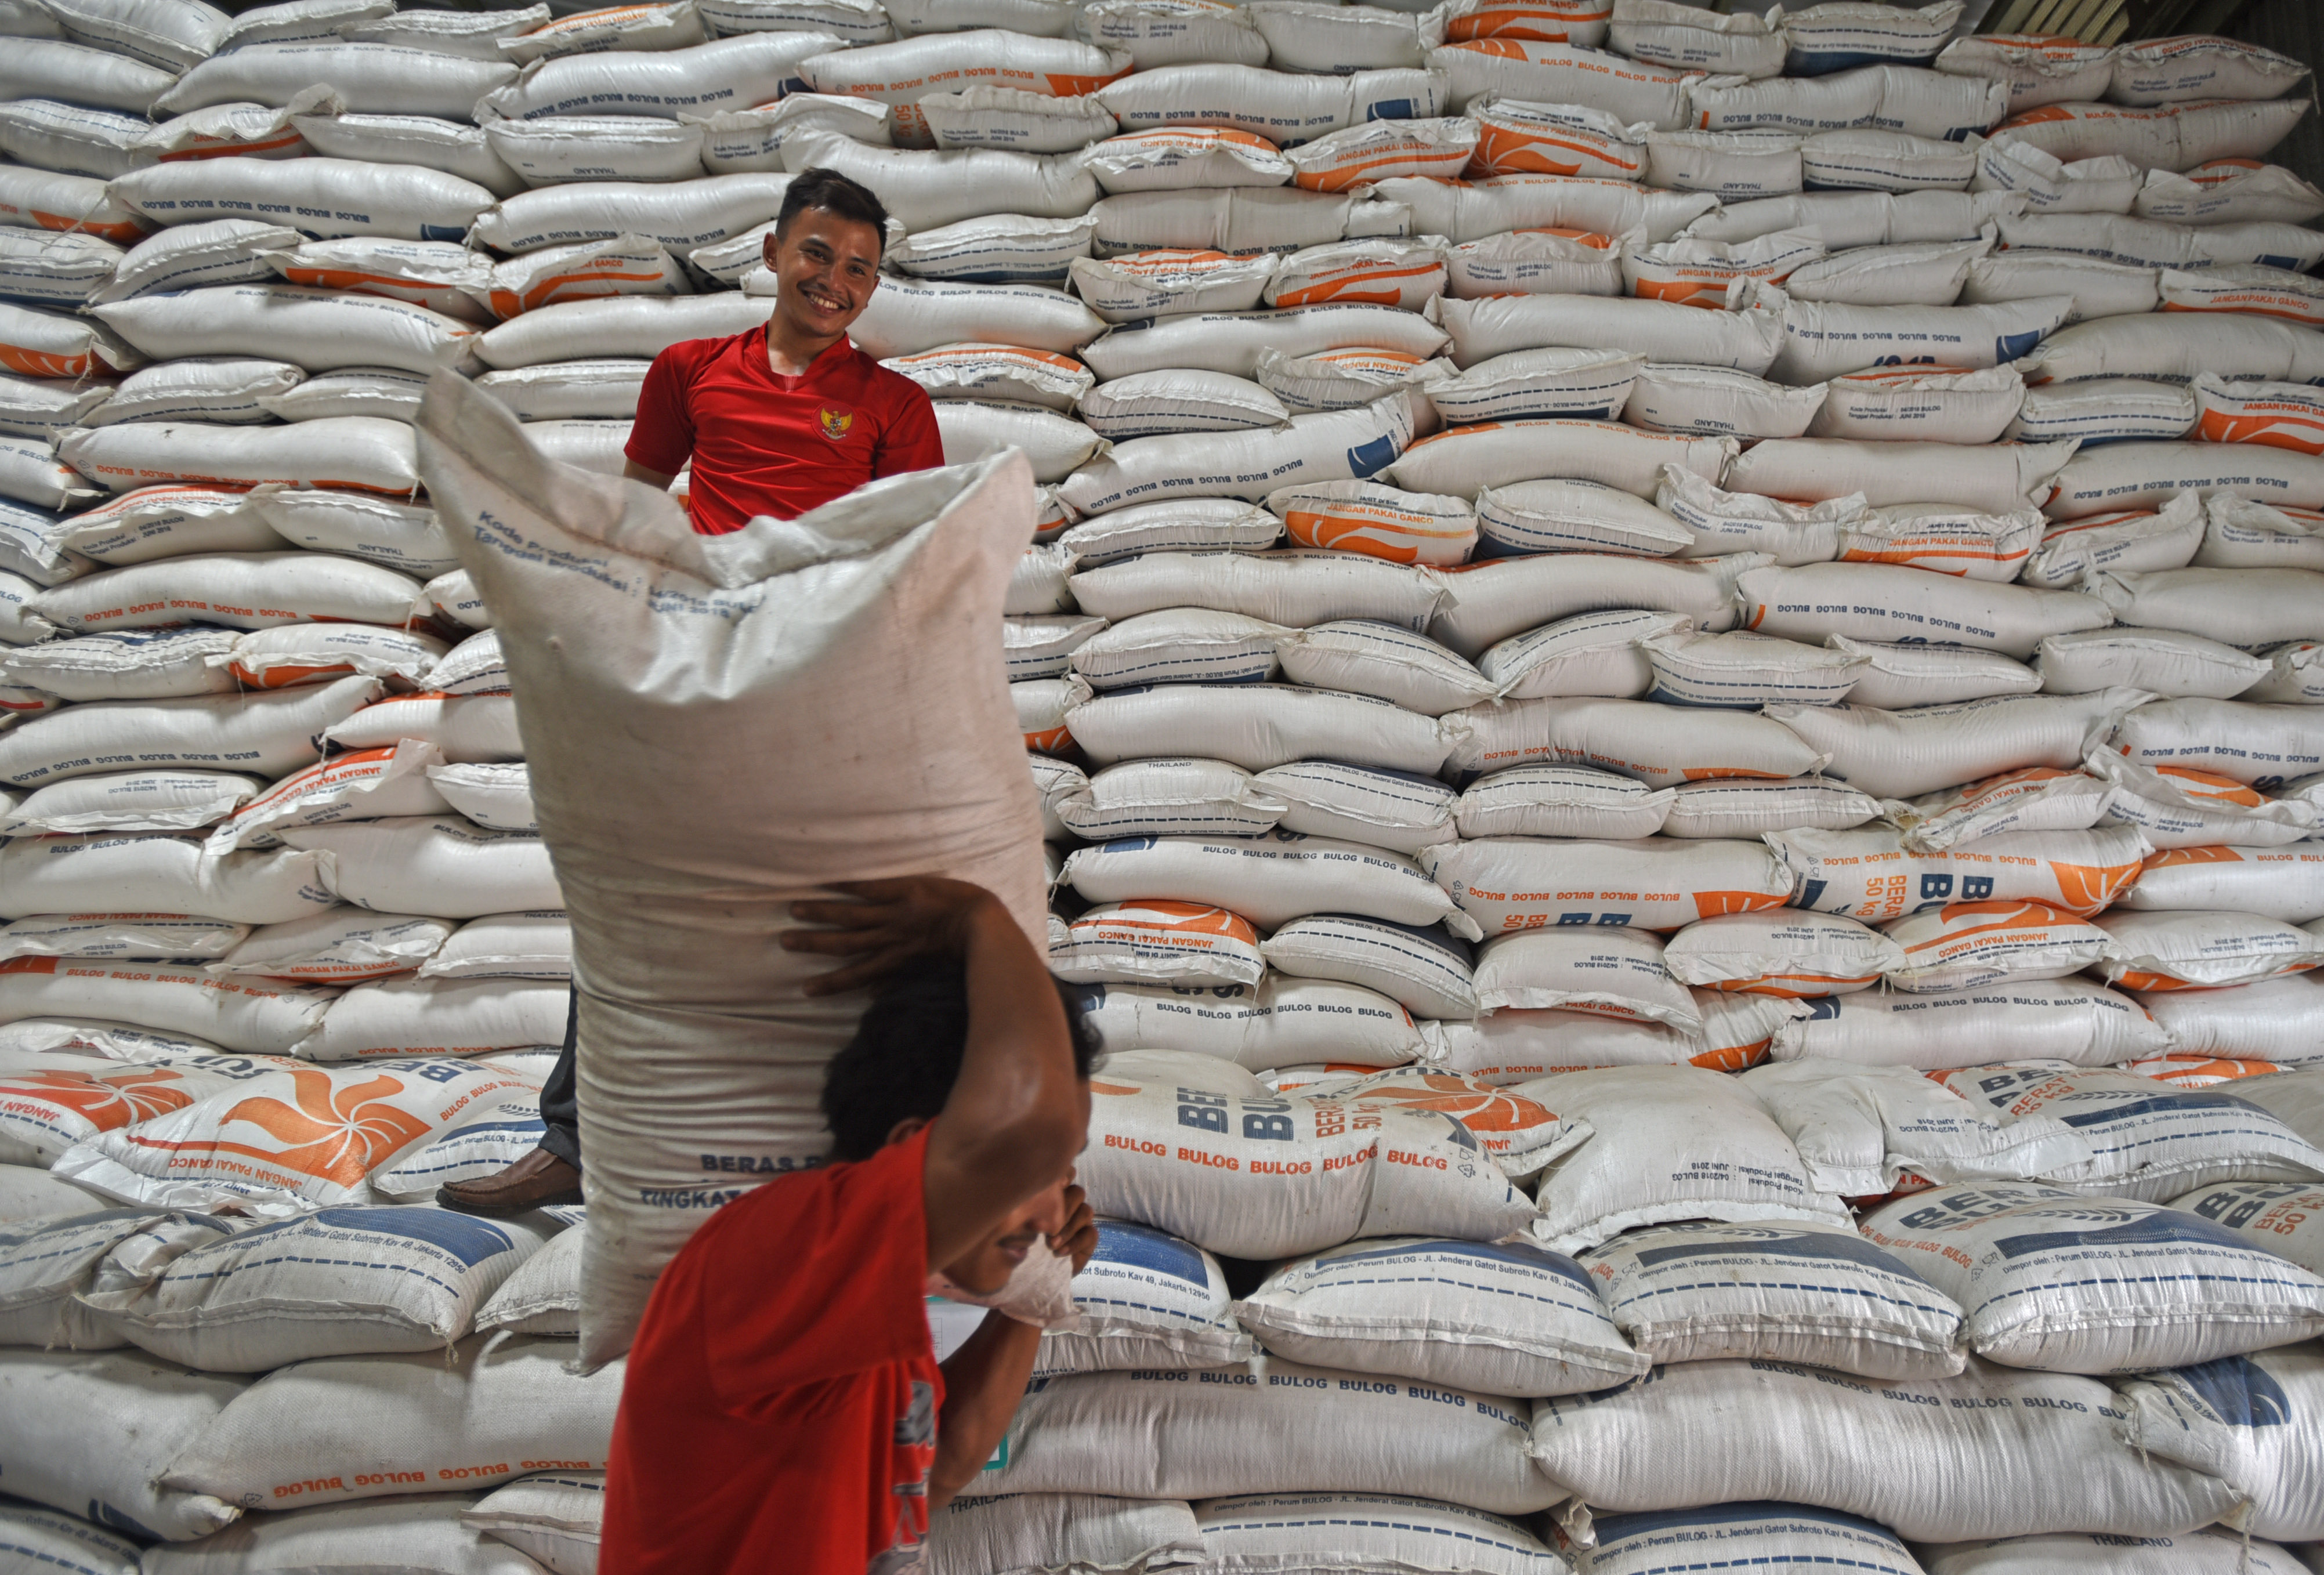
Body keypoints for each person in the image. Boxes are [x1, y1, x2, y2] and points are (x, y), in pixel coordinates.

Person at [438, 166, 946, 1216]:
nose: (835, 282)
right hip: (693, 673)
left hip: (815, 685)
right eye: (817, 255)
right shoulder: (687, 370)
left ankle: (835, 1162)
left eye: (860, 269)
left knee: (824, 931)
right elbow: (634, 520)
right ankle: (576, 1144)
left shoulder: (896, 406)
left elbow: (908, 562)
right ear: (771, 253)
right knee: (634, 905)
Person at [595, 876, 1096, 1575]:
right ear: (913, 1144)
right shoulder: (774, 1254)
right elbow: (1028, 1125)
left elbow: (936, 1468)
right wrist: (977, 919)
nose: (1056, 1211)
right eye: (1041, 1175)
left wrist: (1032, 1295)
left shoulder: (858, 1308)